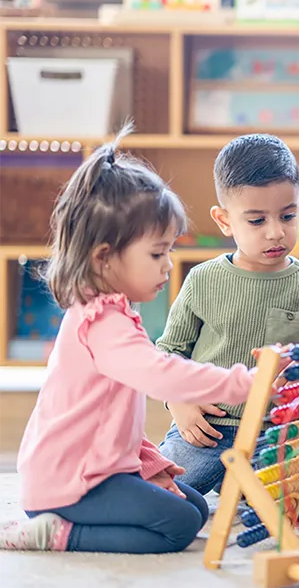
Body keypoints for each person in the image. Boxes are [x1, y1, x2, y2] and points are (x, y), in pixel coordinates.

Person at [0, 126, 274, 554]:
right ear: (104, 257)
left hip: (97, 468)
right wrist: (246, 383)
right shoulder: (101, 323)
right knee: (179, 525)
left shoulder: (112, 311)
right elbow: (163, 377)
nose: (168, 266)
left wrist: (150, 465)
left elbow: (112, 418)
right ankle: (54, 533)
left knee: (197, 507)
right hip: (71, 483)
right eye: (156, 253)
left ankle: (74, 518)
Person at [157, 134, 299, 521]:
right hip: (207, 428)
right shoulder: (202, 280)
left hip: (276, 436)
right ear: (224, 220)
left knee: (293, 509)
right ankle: (229, 478)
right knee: (157, 495)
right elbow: (167, 354)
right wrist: (179, 403)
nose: (275, 232)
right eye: (257, 220)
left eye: (288, 215)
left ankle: (239, 482)